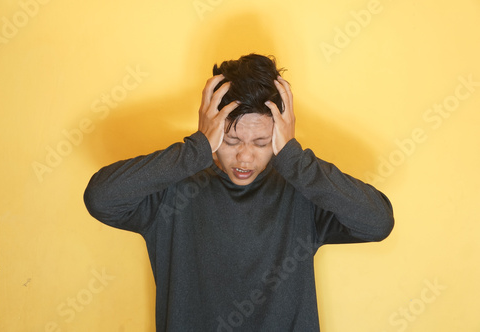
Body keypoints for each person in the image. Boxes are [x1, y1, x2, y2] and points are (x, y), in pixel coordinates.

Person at [83, 53, 394, 331]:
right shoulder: (171, 192)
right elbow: (101, 198)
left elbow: (377, 221)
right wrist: (196, 149)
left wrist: (295, 161)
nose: (245, 157)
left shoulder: (303, 192)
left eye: (261, 143)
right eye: (231, 141)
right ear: (210, 130)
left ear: (280, 136)